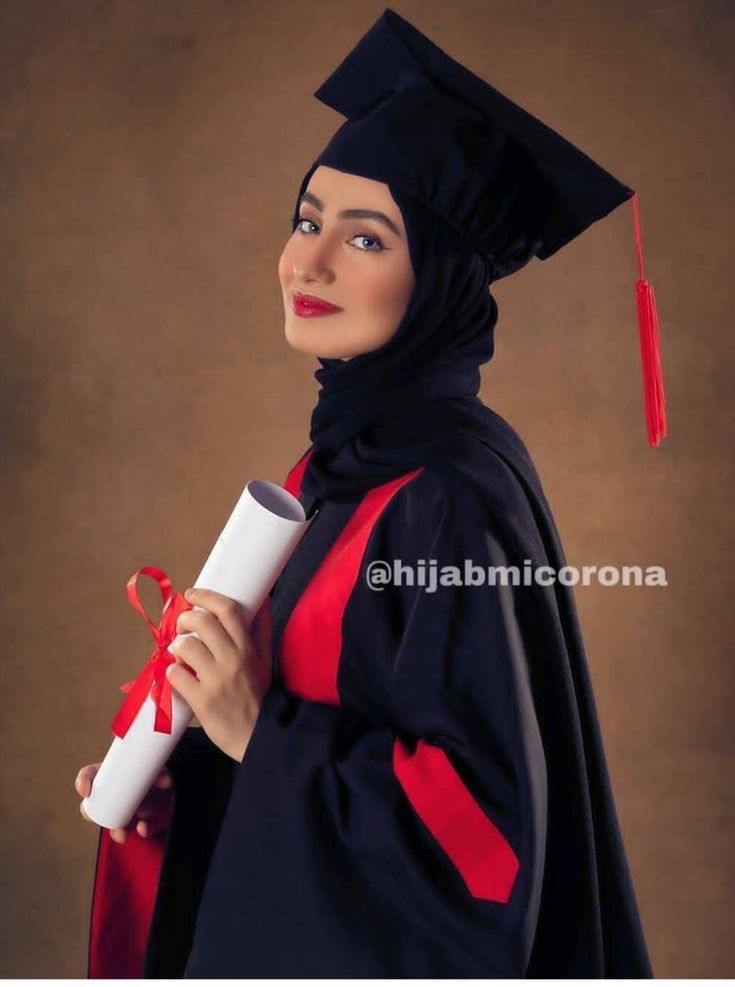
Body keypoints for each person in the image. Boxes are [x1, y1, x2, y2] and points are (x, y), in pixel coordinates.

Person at [78, 8, 658, 977]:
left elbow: (480, 852)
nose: (306, 263)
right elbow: (306, 729)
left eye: (367, 239)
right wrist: (189, 783)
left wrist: (256, 729)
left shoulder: (449, 493)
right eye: (307, 221)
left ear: (438, 278)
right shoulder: (342, 469)